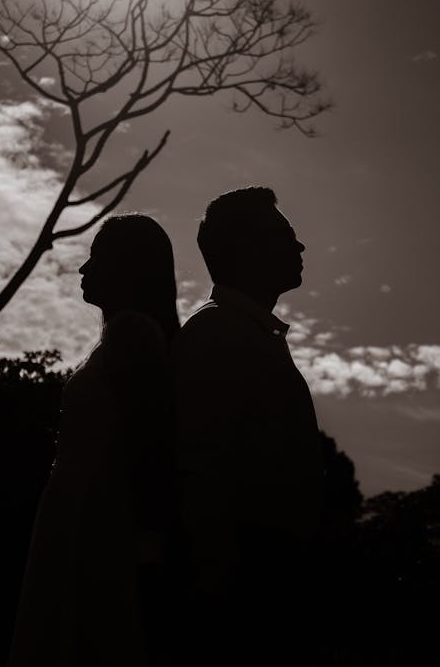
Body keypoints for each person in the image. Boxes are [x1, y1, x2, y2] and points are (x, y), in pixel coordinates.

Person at [8, 214, 180, 667]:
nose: (84, 270)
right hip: (89, 518)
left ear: (126, 268)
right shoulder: (126, 337)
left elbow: (147, 443)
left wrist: (145, 544)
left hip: (103, 527)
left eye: (96, 259)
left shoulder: (134, 336)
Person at [173, 187, 324, 664]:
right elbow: (202, 467)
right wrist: (219, 583)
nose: (299, 248)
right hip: (249, 586)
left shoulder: (246, 332)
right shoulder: (216, 334)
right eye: (284, 236)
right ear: (245, 248)